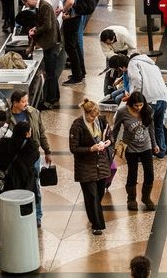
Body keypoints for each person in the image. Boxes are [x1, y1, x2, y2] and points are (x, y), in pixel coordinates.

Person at [6, 90, 51, 226]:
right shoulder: (7, 117)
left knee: (35, 185)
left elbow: (41, 132)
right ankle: (20, 213)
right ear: (15, 103)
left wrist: (47, 150)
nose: (27, 104)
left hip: (32, 156)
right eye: (23, 101)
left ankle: (37, 215)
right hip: (15, 157)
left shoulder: (34, 113)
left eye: (27, 101)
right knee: (17, 185)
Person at [70, 99, 112, 234]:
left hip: (101, 163)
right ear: (85, 113)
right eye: (92, 116)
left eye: (96, 116)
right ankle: (97, 225)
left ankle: (92, 213)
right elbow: (74, 148)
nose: (94, 119)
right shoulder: (77, 126)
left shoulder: (101, 121)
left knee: (99, 194)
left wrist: (108, 142)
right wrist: (90, 149)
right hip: (85, 166)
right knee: (92, 196)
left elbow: (111, 135)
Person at [117, 52, 167, 157]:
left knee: (143, 127)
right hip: (163, 97)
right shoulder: (152, 64)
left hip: (150, 98)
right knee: (158, 125)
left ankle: (144, 154)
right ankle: (161, 152)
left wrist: (133, 98)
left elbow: (137, 80)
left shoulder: (133, 63)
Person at [113, 91, 159, 210]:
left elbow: (151, 128)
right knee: (132, 174)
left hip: (146, 146)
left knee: (149, 173)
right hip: (131, 148)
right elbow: (116, 129)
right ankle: (131, 199)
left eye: (141, 105)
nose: (139, 108)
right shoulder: (122, 112)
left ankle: (146, 197)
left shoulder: (147, 109)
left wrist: (154, 144)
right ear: (131, 104)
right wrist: (112, 144)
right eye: (136, 105)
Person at [21, 0, 62, 108]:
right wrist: (35, 28)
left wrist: (35, 31)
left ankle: (52, 101)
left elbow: (47, 25)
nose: (28, 6)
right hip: (48, 44)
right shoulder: (41, 7)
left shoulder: (45, 7)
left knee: (51, 74)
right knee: (50, 73)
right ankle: (54, 98)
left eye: (26, 4)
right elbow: (43, 23)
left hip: (51, 44)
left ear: (28, 0)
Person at [49, 0, 87, 85]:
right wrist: (62, 9)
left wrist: (65, 11)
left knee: (70, 47)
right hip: (76, 16)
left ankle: (77, 77)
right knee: (75, 45)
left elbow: (70, 1)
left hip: (72, 19)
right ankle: (81, 72)